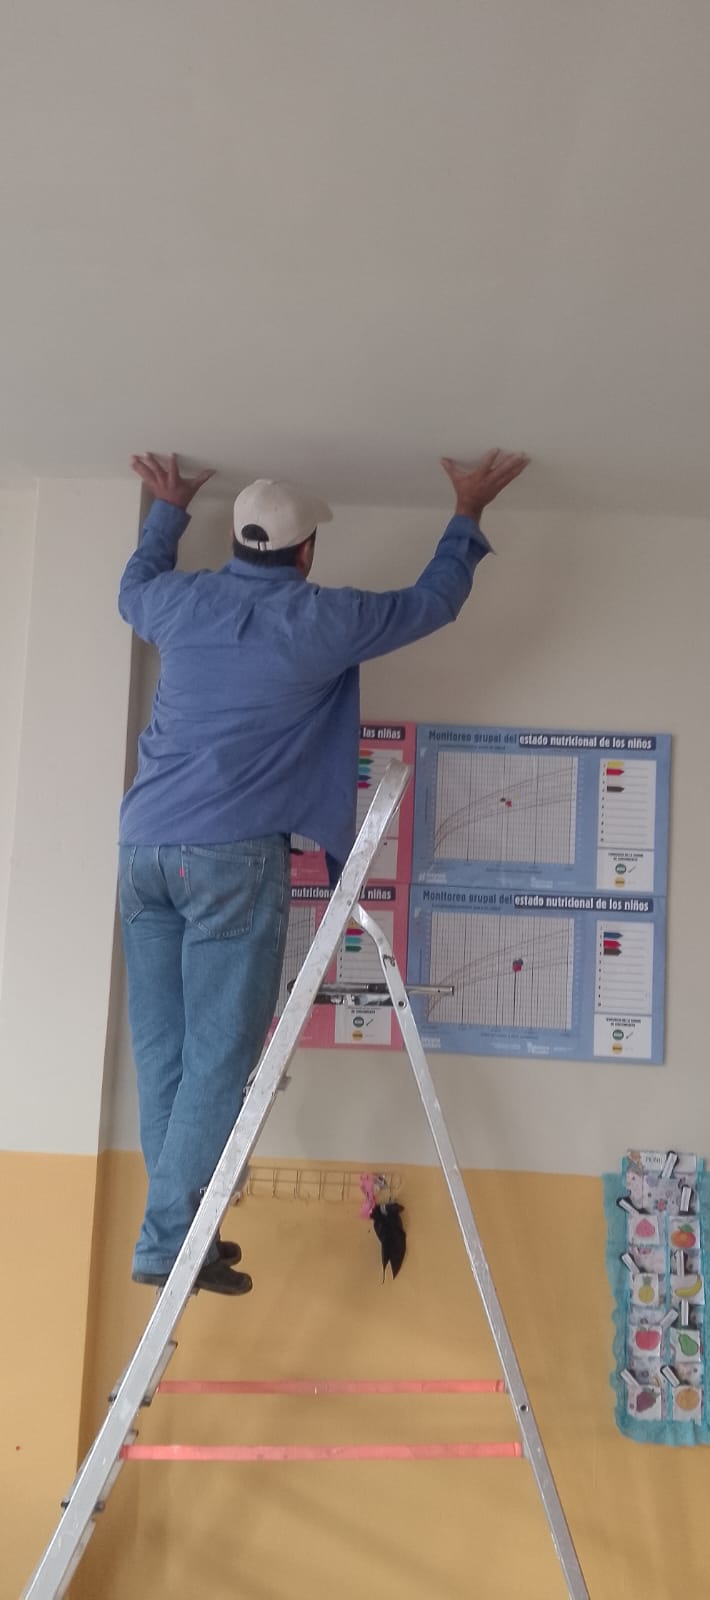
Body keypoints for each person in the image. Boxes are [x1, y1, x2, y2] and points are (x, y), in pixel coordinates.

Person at [118, 447, 529, 1294]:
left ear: (238, 540)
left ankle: (181, 1235)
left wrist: (165, 510)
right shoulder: (321, 619)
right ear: (305, 553)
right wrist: (467, 511)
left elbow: (133, 587)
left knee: (165, 1053)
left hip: (143, 848)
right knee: (217, 1057)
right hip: (229, 857)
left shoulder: (180, 602)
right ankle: (169, 1242)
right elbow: (432, 602)